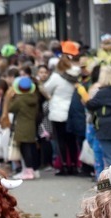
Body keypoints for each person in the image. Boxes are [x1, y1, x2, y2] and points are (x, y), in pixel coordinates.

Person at [44, 42, 83, 175]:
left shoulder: (56, 77)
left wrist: (51, 96)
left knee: (60, 140)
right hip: (72, 110)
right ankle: (74, 165)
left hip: (57, 111)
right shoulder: (78, 74)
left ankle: (64, 165)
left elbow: (46, 88)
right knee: (72, 140)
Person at [8, 76, 41, 180]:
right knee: (31, 147)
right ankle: (33, 169)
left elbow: (11, 108)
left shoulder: (19, 99)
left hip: (22, 126)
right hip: (31, 125)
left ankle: (28, 170)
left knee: (24, 149)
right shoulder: (34, 98)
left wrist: (12, 98)